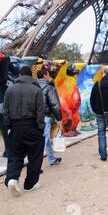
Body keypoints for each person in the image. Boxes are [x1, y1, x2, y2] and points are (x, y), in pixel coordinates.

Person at [3, 66, 45, 196]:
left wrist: (9, 126)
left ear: (20, 76)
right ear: (30, 76)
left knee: (15, 155)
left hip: (15, 127)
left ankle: (12, 178)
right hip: (32, 126)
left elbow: (6, 111)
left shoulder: (10, 90)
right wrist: (40, 128)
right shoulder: (36, 90)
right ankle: (29, 184)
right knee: (35, 155)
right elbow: (40, 112)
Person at [37, 69, 63, 166]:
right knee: (44, 139)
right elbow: (55, 104)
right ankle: (36, 162)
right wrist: (59, 118)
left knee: (45, 138)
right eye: (48, 75)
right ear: (44, 75)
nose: (49, 76)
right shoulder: (48, 87)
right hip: (44, 116)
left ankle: (52, 159)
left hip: (33, 116)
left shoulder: (33, 86)